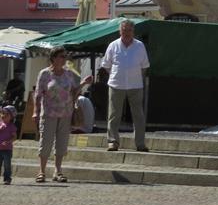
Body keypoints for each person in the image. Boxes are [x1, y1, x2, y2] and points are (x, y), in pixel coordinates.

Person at [34, 48, 91, 183]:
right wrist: (35, 111)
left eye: (65, 56)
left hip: (66, 113)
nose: (64, 59)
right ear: (53, 58)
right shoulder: (44, 74)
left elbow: (74, 92)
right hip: (49, 113)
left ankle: (58, 171)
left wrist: (84, 83)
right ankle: (41, 171)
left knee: (62, 143)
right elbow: (38, 94)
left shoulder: (69, 74)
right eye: (61, 56)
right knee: (46, 142)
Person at [101, 18, 150, 152]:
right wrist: (117, 74)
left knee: (138, 115)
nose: (127, 32)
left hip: (136, 85)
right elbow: (106, 65)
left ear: (133, 31)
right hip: (116, 84)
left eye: (129, 30)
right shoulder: (113, 45)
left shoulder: (140, 46)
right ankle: (112, 142)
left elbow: (144, 66)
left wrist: (134, 76)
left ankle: (140, 144)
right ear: (119, 31)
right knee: (114, 115)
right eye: (124, 30)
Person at [0, 105, 15, 185]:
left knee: (7, 165)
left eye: (6, 114)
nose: (3, 116)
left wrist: (8, 142)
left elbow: (14, 137)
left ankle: (7, 178)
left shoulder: (11, 126)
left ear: (11, 117)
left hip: (7, 150)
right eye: (2, 113)